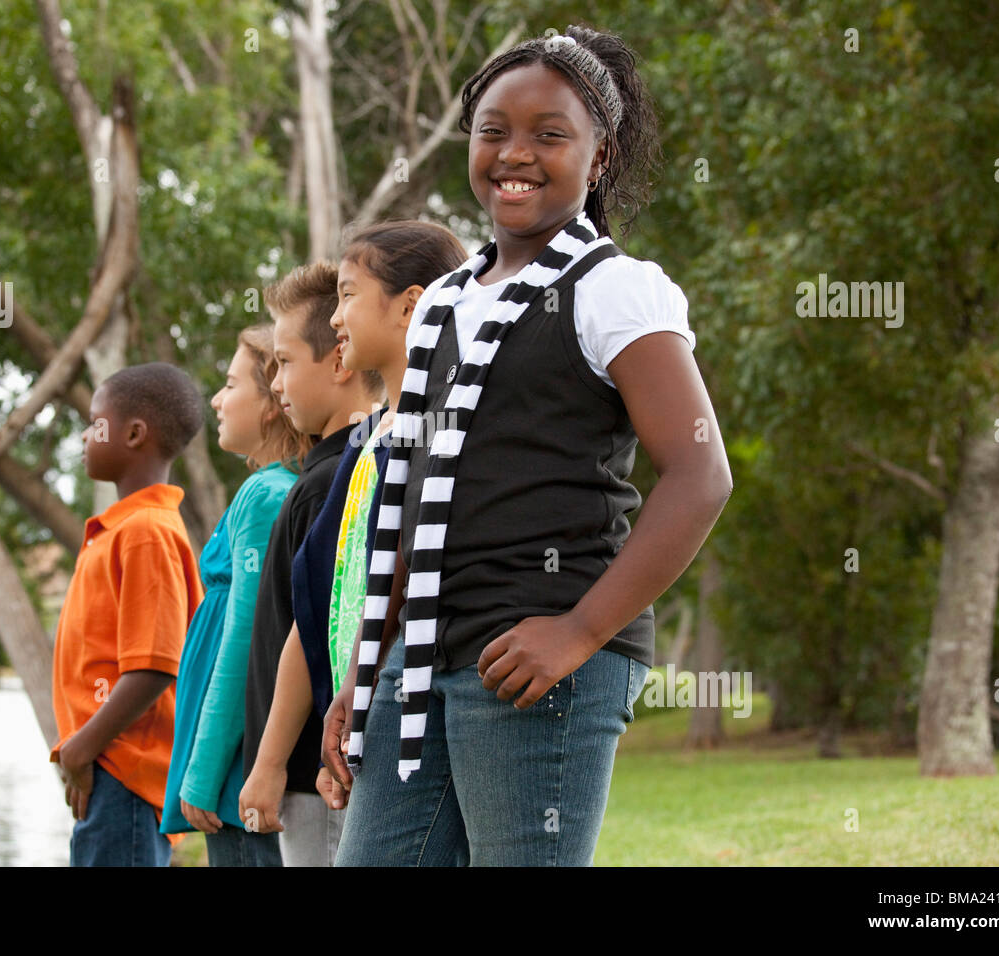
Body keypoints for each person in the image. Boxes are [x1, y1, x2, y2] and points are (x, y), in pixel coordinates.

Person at [322, 24, 734, 866]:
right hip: (421, 656)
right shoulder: (439, 303)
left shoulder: (615, 288)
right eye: (494, 131)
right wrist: (367, 669)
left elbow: (699, 475)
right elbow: (415, 492)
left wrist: (579, 631)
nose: (517, 154)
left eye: (551, 134)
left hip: (539, 660)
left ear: (601, 157)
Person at [239, 222, 467, 863]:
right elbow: (319, 609)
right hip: (360, 721)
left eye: (347, 295)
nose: (337, 318)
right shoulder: (367, 445)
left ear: (412, 306)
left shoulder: (440, 431)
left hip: (408, 714)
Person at [235, 260, 383, 866]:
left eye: (286, 362)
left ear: (340, 360)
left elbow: (315, 628)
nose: (275, 384)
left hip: (316, 771)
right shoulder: (324, 474)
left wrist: (270, 765)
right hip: (309, 770)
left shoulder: (333, 483)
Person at [161, 325, 307, 866]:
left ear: (271, 405)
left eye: (229, 384)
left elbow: (246, 637)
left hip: (235, 764)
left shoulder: (263, 495)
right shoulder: (280, 487)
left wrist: (202, 770)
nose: (218, 400)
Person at [51, 362, 207, 867]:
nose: (84, 434)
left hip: (125, 771)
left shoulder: (145, 531)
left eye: (95, 422)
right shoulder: (121, 530)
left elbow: (155, 666)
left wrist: (81, 748)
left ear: (136, 433)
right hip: (107, 772)